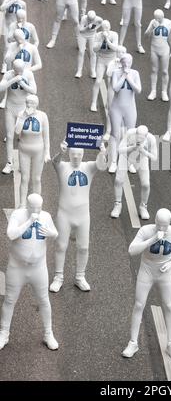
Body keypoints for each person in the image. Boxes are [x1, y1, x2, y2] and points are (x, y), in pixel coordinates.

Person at [122, 208, 171, 359]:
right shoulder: (146, 231)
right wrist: (152, 239)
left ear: (169, 223)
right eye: (159, 224)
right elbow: (132, 250)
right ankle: (133, 342)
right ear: (155, 221)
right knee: (139, 304)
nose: (161, 228)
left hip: (165, 272)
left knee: (169, 305)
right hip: (146, 269)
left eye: (164, 225)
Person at [0, 193, 59, 351]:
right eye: (33, 208)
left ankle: (48, 333)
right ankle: (4, 333)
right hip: (17, 267)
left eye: (39, 208)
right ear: (27, 205)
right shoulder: (17, 215)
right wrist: (29, 222)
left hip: (38, 268)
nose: (36, 211)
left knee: (44, 300)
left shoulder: (45, 216)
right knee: (10, 300)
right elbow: (11, 234)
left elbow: (55, 233)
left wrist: (51, 233)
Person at [49, 140, 107, 293]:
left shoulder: (88, 167)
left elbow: (101, 165)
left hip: (83, 215)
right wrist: (60, 152)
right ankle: (58, 276)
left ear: (83, 154)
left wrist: (102, 152)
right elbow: (54, 162)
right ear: (69, 154)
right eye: (73, 154)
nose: (76, 157)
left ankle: (80, 276)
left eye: (79, 154)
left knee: (83, 246)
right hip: (64, 213)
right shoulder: (63, 166)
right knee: (61, 245)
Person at [111, 125, 158, 220]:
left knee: (146, 184)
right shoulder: (130, 133)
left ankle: (143, 206)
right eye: (138, 136)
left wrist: (143, 151)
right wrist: (132, 148)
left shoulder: (151, 139)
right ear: (136, 133)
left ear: (146, 136)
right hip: (126, 157)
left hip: (141, 159)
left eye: (142, 138)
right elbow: (120, 150)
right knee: (118, 181)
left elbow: (154, 157)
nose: (139, 139)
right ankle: (117, 204)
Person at [0, 59, 37, 174]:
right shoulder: (8, 74)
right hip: (10, 107)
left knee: (24, 136)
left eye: (20, 70)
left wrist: (22, 83)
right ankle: (10, 163)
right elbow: (1, 88)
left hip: (23, 109)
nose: (18, 73)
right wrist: (14, 80)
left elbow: (34, 91)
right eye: (16, 71)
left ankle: (22, 162)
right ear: (13, 68)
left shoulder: (29, 74)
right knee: (10, 136)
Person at [15, 95, 50, 208]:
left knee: (37, 178)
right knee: (25, 178)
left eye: (32, 103)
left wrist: (47, 152)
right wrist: (24, 116)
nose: (29, 105)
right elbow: (17, 131)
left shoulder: (42, 116)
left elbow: (46, 137)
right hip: (24, 149)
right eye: (27, 102)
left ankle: (37, 204)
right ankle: (22, 204)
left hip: (38, 151)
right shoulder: (21, 114)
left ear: (36, 104)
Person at [108, 53, 142, 173]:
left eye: (128, 61)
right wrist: (123, 76)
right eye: (124, 61)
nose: (126, 64)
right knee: (115, 134)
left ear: (131, 62)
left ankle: (129, 162)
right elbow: (115, 88)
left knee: (131, 134)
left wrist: (128, 77)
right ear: (121, 62)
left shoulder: (135, 74)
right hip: (116, 108)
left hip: (130, 108)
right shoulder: (115, 73)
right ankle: (113, 162)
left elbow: (138, 90)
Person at [144, 9, 171, 101]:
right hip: (154, 48)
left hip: (165, 49)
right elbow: (146, 36)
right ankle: (153, 91)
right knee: (154, 70)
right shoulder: (153, 22)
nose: (157, 20)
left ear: (163, 16)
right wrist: (151, 28)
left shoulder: (169, 23)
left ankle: (164, 92)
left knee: (165, 71)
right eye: (156, 18)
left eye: (159, 18)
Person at [90, 19, 118, 112]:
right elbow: (94, 49)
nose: (105, 29)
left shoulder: (114, 35)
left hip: (111, 60)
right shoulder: (98, 35)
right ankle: (93, 103)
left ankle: (109, 103)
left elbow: (115, 48)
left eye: (107, 27)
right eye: (103, 27)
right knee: (98, 81)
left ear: (109, 28)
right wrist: (102, 40)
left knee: (110, 82)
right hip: (101, 59)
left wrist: (107, 40)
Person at [0, 0, 26, 73]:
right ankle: (4, 65)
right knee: (7, 46)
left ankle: (17, 64)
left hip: (17, 28)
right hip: (7, 27)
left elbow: (25, 16)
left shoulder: (22, 3)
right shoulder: (7, 1)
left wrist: (24, 26)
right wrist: (11, 2)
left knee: (18, 46)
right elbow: (2, 8)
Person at [75, 10, 103, 79]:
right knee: (81, 52)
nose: (91, 21)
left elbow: (101, 22)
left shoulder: (98, 18)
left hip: (92, 36)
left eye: (92, 20)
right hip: (82, 35)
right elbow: (81, 30)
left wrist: (95, 28)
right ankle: (79, 71)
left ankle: (93, 71)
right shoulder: (83, 19)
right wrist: (88, 27)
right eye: (89, 19)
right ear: (87, 17)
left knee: (93, 52)